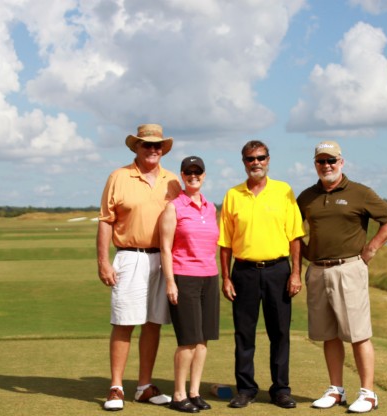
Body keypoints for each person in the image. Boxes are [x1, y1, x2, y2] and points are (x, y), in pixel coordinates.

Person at [296, 140, 387, 414]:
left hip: (349, 268)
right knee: (329, 333)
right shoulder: (306, 196)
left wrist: (371, 249)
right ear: (315, 164)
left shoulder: (360, 192)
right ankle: (336, 390)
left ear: (341, 162)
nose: (327, 165)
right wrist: (306, 253)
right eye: (321, 161)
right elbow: (292, 231)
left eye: (332, 160)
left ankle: (368, 393)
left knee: (358, 333)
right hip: (318, 270)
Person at [97, 123, 181, 411]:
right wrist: (103, 261)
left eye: (158, 145)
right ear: (136, 147)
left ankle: (144, 385)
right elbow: (106, 221)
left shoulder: (172, 180)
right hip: (129, 256)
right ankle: (116, 386)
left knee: (153, 322)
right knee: (124, 322)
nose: (153, 149)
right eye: (147, 144)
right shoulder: (119, 176)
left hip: (163, 258)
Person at [218, 140, 305, 409]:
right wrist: (226, 277)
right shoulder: (233, 194)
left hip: (279, 270)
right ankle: (245, 389)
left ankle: (281, 389)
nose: (256, 162)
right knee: (244, 333)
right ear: (243, 162)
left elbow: (295, 237)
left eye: (261, 157)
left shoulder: (284, 191)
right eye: (250, 159)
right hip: (243, 271)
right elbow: (225, 243)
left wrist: (295, 274)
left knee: (279, 332)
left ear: (268, 159)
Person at [159, 156, 220, 413]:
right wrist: (170, 282)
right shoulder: (174, 207)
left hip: (210, 276)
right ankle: (178, 394)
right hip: (184, 277)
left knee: (203, 339)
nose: (193, 175)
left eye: (198, 171)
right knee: (187, 340)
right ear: (182, 176)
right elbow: (165, 248)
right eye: (188, 172)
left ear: (204, 175)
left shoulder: (210, 207)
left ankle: (194, 392)